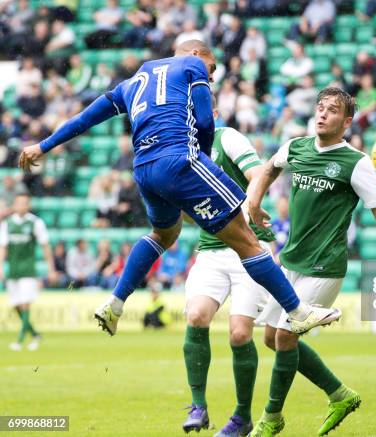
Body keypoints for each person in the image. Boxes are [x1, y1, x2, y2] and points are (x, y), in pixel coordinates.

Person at [19, 40, 339, 345]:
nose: (211, 77)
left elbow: (86, 117)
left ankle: (116, 303)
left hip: (143, 168)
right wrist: (203, 162)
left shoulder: (133, 81)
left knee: (164, 233)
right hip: (180, 159)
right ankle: (297, 312)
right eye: (211, 69)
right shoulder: (191, 64)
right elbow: (203, 121)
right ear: (198, 53)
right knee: (247, 238)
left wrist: (44, 145)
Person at [247, 87, 376, 436]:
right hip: (291, 261)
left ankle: (271, 418)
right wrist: (255, 203)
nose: (322, 114)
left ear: (347, 121)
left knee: (287, 339)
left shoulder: (357, 163)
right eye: (320, 108)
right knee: (271, 338)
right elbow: (267, 169)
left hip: (325, 266)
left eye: (332, 111)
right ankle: (340, 394)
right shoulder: (297, 147)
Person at [182, 102, 276, 435]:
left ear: (215, 115)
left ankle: (241, 416)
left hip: (248, 248)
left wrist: (249, 207)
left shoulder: (228, 138)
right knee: (196, 316)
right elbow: (185, 211)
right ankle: (198, 406)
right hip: (211, 251)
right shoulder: (183, 153)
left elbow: (259, 174)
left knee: (239, 334)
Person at [0, 193, 57, 351]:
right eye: (18, 203)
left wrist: (50, 268)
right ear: (15, 205)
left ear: (28, 205)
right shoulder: (7, 224)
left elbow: (45, 246)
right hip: (13, 269)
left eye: (24, 203)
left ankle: (19, 341)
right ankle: (35, 335)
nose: (21, 206)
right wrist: (1, 267)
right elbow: (3, 247)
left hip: (28, 270)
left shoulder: (35, 223)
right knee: (17, 305)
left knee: (25, 304)